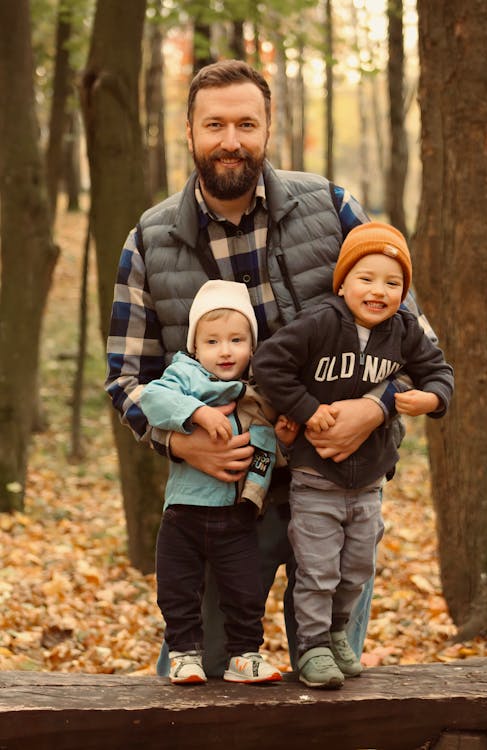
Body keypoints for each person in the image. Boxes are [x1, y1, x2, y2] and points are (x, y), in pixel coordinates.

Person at [105, 59, 436, 677]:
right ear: (189, 132)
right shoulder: (150, 241)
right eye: (215, 125)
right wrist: (179, 442)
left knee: (331, 677)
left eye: (246, 123)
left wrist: (375, 408)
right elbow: (126, 379)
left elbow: (418, 342)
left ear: (268, 129)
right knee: (204, 680)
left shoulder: (333, 210)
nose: (231, 140)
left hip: (342, 483)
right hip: (221, 501)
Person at [252, 222, 454, 688]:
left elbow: (438, 370)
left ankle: (338, 632)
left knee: (357, 569)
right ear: (342, 282)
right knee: (318, 568)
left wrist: (433, 399)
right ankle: (312, 646)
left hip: (370, 482)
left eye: (392, 282)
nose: (378, 291)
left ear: (404, 293)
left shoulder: (403, 330)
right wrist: (307, 409)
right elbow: (268, 365)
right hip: (315, 478)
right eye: (366, 278)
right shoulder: (320, 322)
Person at [140, 279, 283, 684]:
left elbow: (266, 444)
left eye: (236, 340)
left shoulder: (254, 391)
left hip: (236, 516)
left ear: (251, 347)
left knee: (245, 590)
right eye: (213, 341)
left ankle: (245, 654)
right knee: (178, 589)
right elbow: (152, 399)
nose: (225, 351)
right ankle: (185, 653)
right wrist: (199, 415)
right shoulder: (183, 376)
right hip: (184, 514)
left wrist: (279, 441)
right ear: (195, 348)